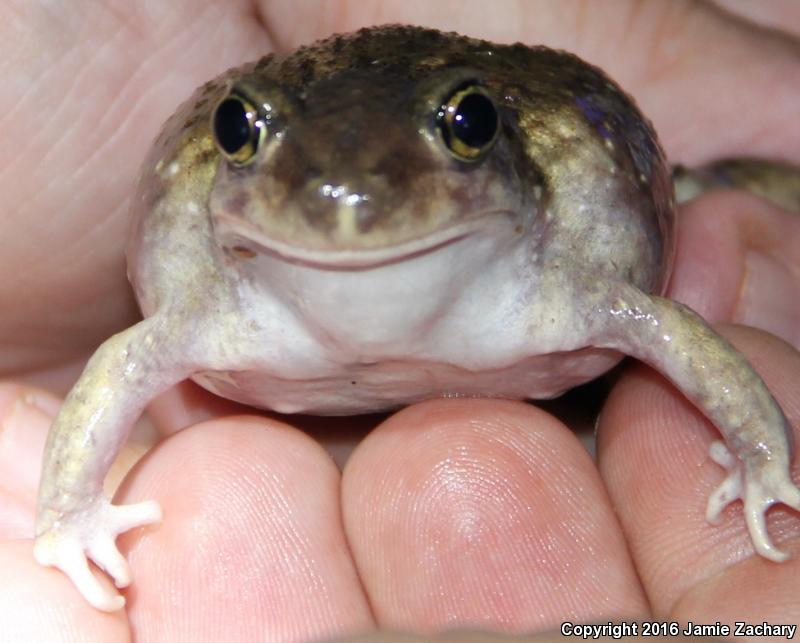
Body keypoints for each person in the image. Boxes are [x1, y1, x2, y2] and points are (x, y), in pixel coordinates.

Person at [0, 1, 798, 640]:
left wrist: (764, 456)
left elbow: (662, 327)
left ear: (502, 152)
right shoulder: (213, 311)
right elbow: (124, 362)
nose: (350, 204)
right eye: (243, 135)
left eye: (468, 127)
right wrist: (68, 516)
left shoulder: (567, 286)